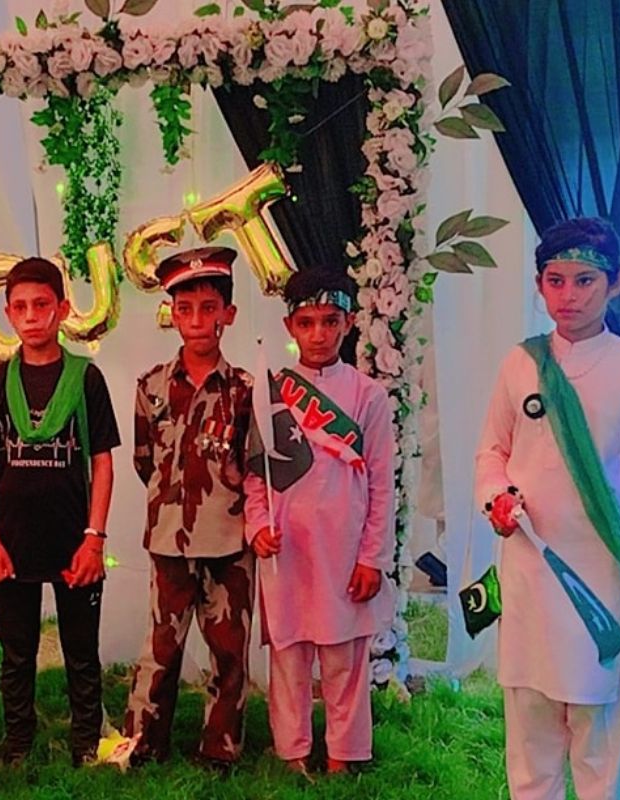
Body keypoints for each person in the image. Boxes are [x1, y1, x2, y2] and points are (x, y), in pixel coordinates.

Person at [476, 217, 620, 800]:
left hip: (602, 571)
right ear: (539, 285)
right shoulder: (520, 363)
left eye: (584, 281)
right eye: (555, 281)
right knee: (530, 724)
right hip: (531, 564)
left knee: (597, 729)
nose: (568, 295)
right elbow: (492, 451)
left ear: (616, 284)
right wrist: (496, 497)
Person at [244, 268, 396, 776]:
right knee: (289, 656)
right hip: (287, 549)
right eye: (307, 323)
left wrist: (372, 557)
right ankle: (291, 753)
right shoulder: (272, 393)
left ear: (349, 324)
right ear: (290, 326)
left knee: (344, 659)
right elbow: (255, 476)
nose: (318, 334)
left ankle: (343, 757)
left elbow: (381, 484)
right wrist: (257, 527)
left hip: (345, 550)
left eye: (330, 321)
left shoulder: (368, 396)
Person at [0, 257, 120, 765]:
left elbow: (102, 462)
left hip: (73, 540)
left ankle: (86, 743)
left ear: (62, 308)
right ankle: (18, 744)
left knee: (81, 652)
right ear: (8, 315)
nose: (32, 316)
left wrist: (94, 538)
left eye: (42, 304)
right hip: (12, 542)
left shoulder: (86, 378)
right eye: (20, 307)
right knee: (17, 653)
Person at [122, 247, 255, 769]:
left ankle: (219, 748)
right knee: (160, 647)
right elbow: (144, 460)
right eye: (185, 309)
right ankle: (143, 743)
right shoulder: (152, 386)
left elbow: (253, 463)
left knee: (228, 649)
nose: (197, 320)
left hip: (228, 540)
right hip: (169, 538)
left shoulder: (244, 391)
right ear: (172, 316)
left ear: (229, 314)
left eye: (208, 307)